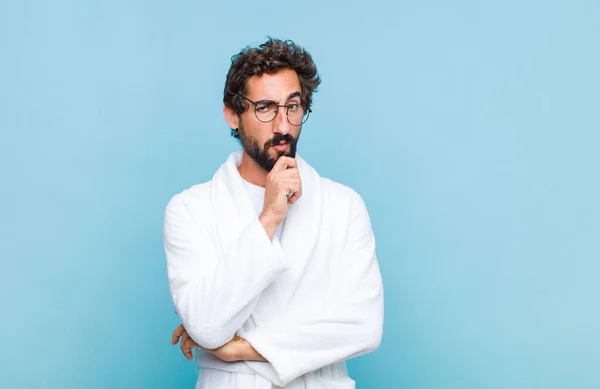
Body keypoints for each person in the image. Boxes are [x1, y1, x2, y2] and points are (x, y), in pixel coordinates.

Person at [164, 37, 384, 389]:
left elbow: (363, 326)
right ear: (233, 114)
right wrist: (268, 218)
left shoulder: (343, 206)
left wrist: (241, 348)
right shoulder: (190, 210)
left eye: (293, 106)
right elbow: (206, 326)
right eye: (265, 107)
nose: (283, 125)